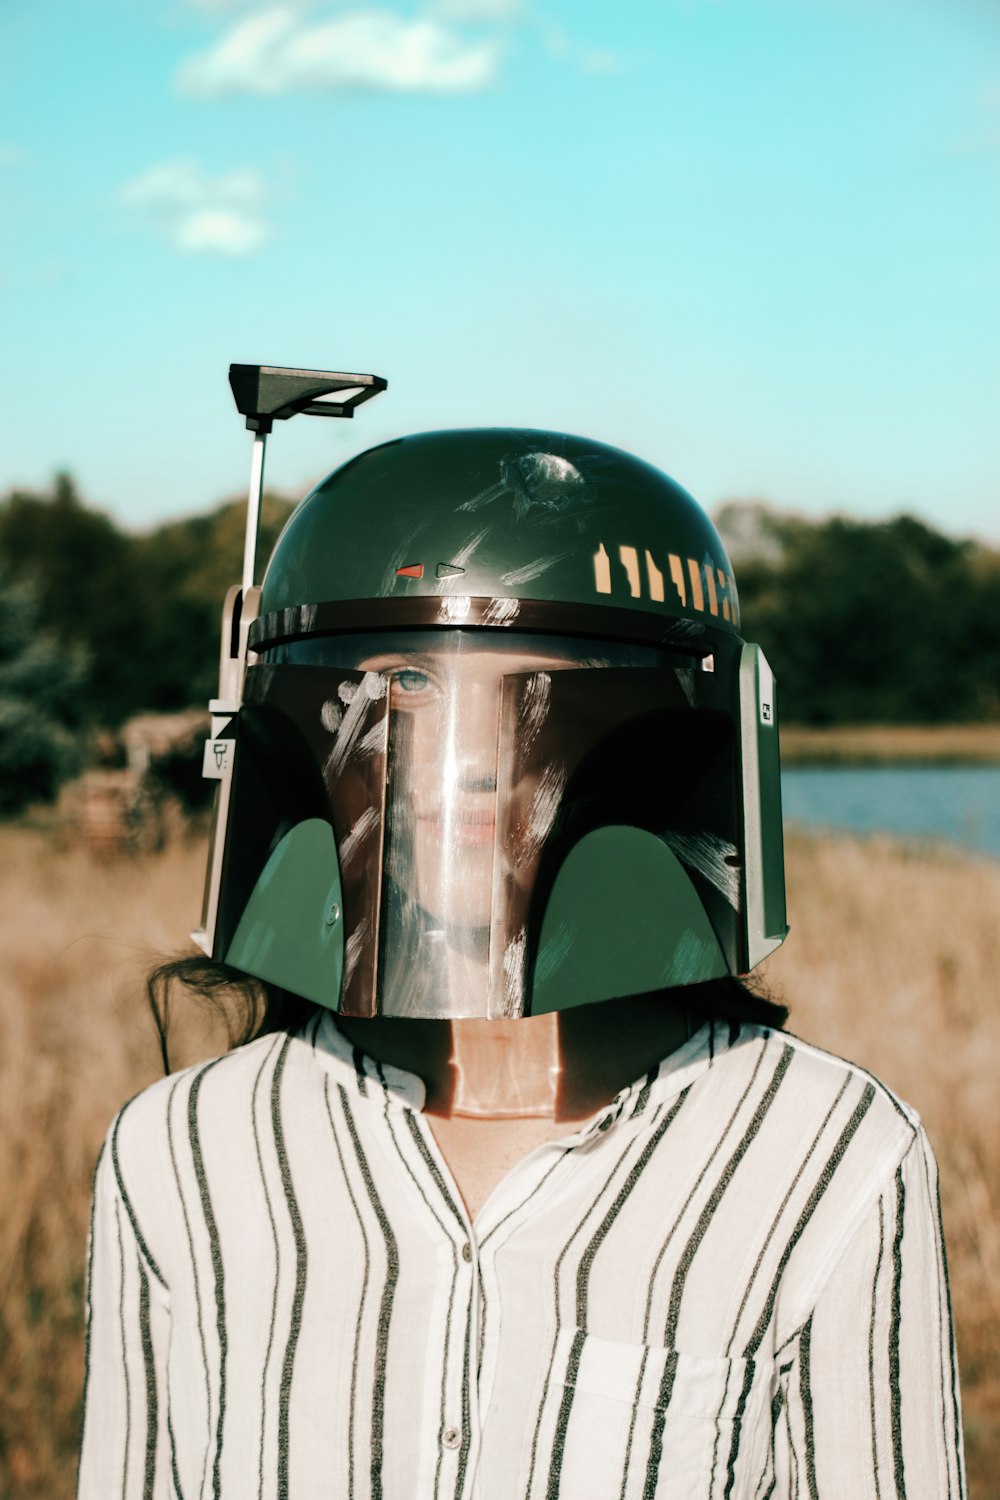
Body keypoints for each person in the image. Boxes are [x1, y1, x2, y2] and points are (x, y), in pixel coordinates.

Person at [78, 427, 965, 1499]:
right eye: (406, 680)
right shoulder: (183, 1153)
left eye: (544, 691)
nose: (472, 761)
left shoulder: (826, 1154)